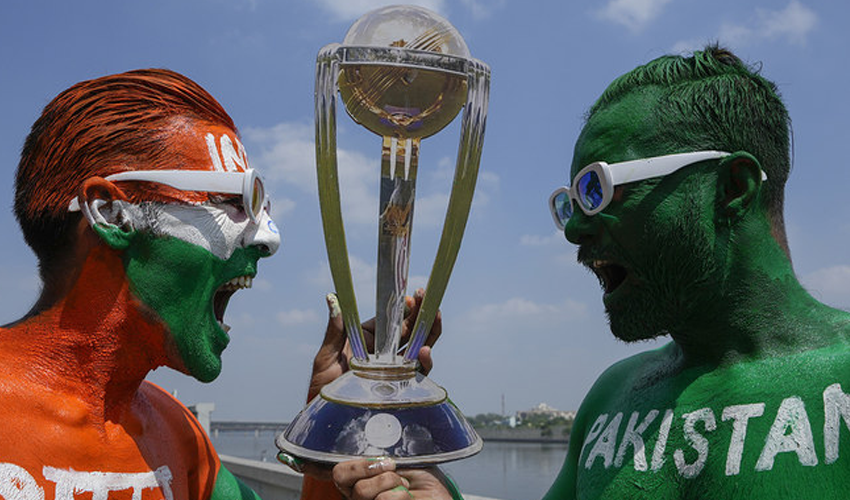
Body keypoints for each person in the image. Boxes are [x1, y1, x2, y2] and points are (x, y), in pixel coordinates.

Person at [333, 45, 850, 498]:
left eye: (598, 190)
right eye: (571, 202)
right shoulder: (615, 396)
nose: (575, 229)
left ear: (733, 188)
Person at [0, 69, 279, 500]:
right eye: (232, 202)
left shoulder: (178, 432)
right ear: (111, 214)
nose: (267, 239)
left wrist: (331, 413)